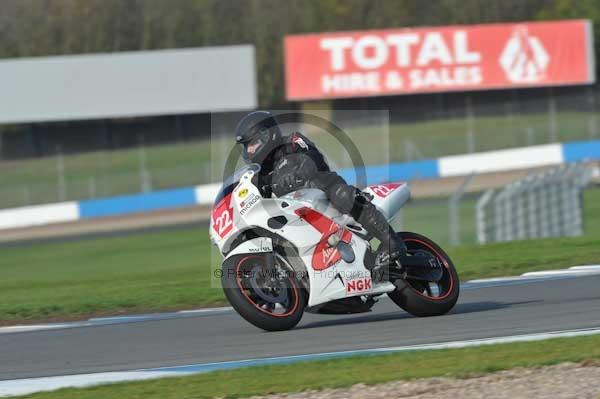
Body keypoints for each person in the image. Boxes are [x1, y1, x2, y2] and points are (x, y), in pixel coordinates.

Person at [234, 111, 406, 270]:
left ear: (267, 134)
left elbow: (312, 157)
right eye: (245, 146)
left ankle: (391, 242)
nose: (249, 150)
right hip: (297, 213)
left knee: (343, 195)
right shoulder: (260, 174)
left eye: (252, 143)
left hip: (325, 195)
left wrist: (299, 171)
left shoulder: (293, 142)